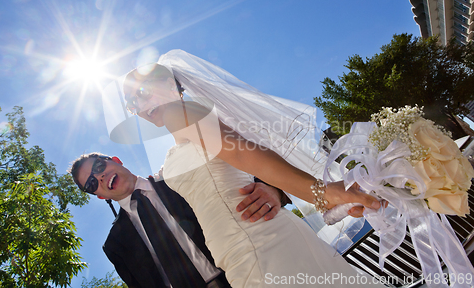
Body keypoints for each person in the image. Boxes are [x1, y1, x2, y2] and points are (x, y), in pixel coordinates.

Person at [121, 50, 384, 287]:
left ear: (170, 84)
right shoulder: (183, 131)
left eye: (142, 92)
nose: (140, 106)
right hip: (238, 248)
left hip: (258, 242)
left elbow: (241, 152)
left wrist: (322, 193)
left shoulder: (178, 112)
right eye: (132, 103)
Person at [69, 152, 289, 288]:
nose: (99, 177)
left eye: (99, 167)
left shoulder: (178, 179)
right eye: (91, 183)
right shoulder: (115, 246)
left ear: (115, 160)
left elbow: (230, 161)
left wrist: (272, 188)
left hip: (248, 277)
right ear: (99, 195)